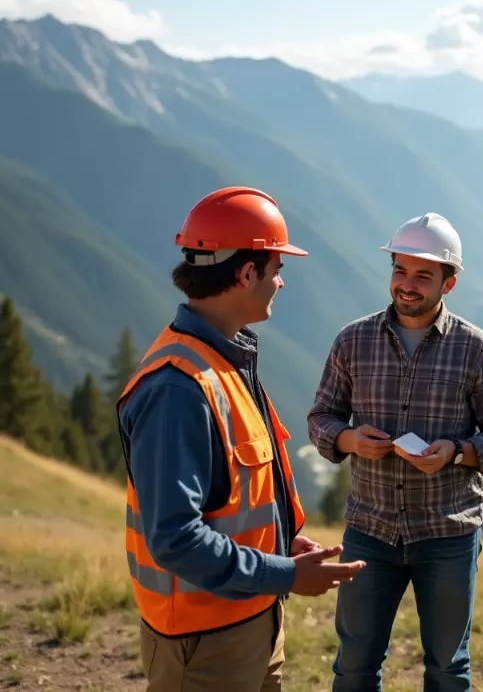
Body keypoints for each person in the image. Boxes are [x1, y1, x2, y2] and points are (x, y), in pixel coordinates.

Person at [117, 186, 366, 692]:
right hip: (204, 643)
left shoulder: (225, 360)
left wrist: (279, 543)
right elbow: (175, 539)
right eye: (276, 269)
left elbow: (228, 494)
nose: (280, 283)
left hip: (249, 621)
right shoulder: (177, 389)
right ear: (245, 272)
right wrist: (287, 575)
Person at [307, 212, 483, 692]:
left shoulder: (477, 351)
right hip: (370, 528)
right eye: (399, 271)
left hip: (447, 533)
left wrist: (457, 452)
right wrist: (349, 440)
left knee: (448, 669)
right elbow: (320, 418)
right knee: (355, 666)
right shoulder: (352, 340)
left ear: (449, 282)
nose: (406, 285)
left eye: (423, 275)